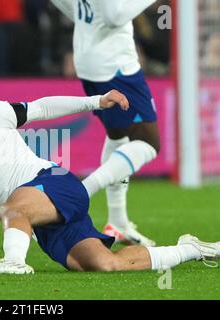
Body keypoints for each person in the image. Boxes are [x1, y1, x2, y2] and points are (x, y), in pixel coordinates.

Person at [0, 72, 220, 274]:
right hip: (40, 219)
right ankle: (192, 249)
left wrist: (94, 101)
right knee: (105, 266)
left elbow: (41, 108)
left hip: (54, 184)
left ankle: (13, 263)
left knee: (10, 209)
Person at [51, 0, 163, 247]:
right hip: (115, 65)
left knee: (118, 137)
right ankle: (82, 192)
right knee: (148, 142)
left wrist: (84, 19)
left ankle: (118, 222)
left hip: (89, 60)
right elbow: (114, 16)